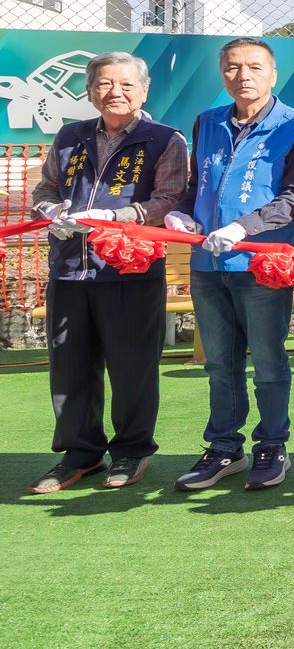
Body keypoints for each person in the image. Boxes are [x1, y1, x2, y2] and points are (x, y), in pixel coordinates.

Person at [27, 52, 189, 494]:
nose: (114, 92)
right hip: (69, 269)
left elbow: (169, 200)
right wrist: (51, 210)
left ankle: (132, 451)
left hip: (129, 270)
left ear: (144, 91)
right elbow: (45, 188)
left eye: (126, 84)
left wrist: (115, 217)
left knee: (132, 367)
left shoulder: (165, 139)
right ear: (89, 90)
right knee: (69, 367)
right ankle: (81, 453)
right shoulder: (70, 136)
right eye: (103, 83)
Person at [166, 38, 294, 491]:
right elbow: (196, 184)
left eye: (254, 66)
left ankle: (272, 445)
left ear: (273, 74)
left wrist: (242, 227)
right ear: (223, 74)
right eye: (233, 67)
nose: (243, 75)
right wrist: (181, 212)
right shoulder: (207, 121)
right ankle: (223, 448)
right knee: (219, 363)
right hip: (207, 263)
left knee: (268, 362)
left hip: (261, 264)